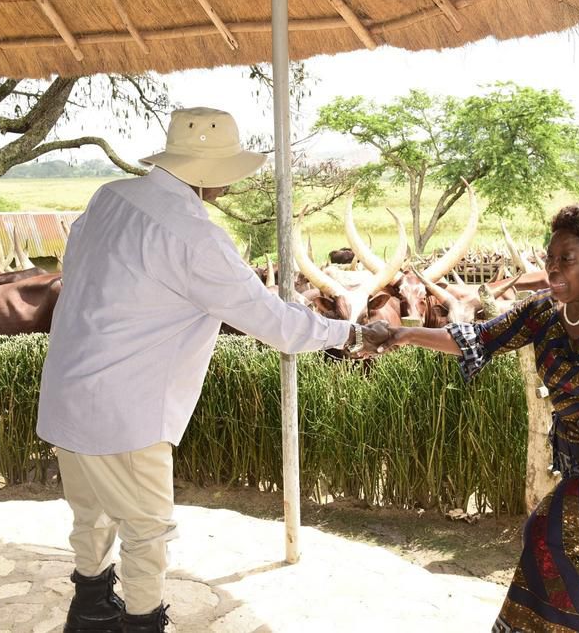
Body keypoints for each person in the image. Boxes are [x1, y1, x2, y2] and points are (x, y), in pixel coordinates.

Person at [37, 107, 390, 633]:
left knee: (90, 514)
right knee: (146, 530)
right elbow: (276, 323)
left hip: (66, 390)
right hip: (125, 413)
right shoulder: (195, 240)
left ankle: (89, 609)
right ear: (211, 173)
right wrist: (353, 334)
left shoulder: (108, 197)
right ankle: (141, 622)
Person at [381, 203, 579, 633]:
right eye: (550, 259)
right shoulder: (545, 311)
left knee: (550, 537)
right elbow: (480, 338)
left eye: (567, 260)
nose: (553, 270)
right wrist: (403, 334)